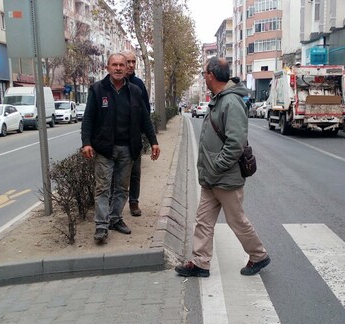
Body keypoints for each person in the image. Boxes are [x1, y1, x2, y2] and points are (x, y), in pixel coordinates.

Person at [174, 57, 271, 278]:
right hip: (212, 178)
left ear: (210, 76)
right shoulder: (220, 99)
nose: (203, 77)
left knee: (237, 221)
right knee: (203, 221)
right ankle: (200, 263)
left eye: (204, 73)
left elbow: (235, 143)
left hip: (225, 178)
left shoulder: (231, 102)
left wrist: (217, 166)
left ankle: (259, 255)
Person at [81, 53, 160, 244]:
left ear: (126, 69)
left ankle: (115, 219)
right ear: (107, 67)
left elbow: (145, 119)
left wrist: (154, 141)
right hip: (104, 149)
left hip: (128, 149)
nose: (118, 68)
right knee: (102, 188)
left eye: (121, 65)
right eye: (114, 65)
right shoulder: (97, 90)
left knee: (122, 189)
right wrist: (86, 143)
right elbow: (88, 119)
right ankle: (101, 225)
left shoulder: (135, 91)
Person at [122, 51, 151, 217]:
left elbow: (145, 111)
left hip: (134, 138)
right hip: (114, 138)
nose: (131, 65)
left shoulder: (139, 84)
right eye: (128, 61)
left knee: (135, 172)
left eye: (133, 62)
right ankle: (114, 206)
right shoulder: (109, 84)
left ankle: (134, 202)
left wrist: (146, 135)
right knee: (115, 174)